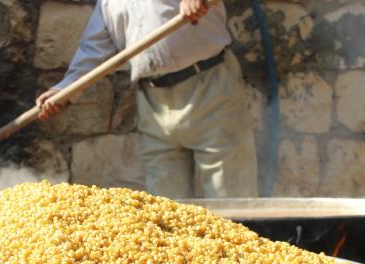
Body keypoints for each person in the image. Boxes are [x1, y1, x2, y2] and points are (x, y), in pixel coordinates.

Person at [36, 0, 258, 199]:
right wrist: (64, 91)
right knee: (167, 206)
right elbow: (93, 49)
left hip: (209, 87)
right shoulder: (108, 4)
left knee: (231, 195)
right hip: (154, 102)